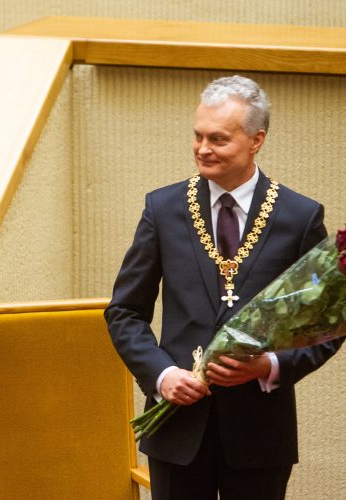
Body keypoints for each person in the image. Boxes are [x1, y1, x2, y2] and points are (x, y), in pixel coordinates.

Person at [105, 75, 343, 500]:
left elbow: (325, 327)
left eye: (218, 139)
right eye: (197, 136)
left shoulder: (300, 216)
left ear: (256, 140)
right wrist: (162, 376)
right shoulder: (162, 208)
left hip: (261, 434)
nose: (202, 148)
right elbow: (124, 312)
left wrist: (268, 366)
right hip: (176, 428)